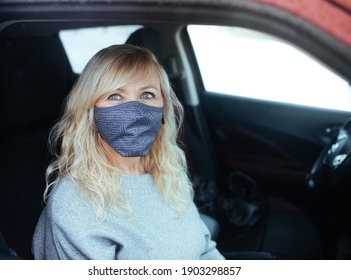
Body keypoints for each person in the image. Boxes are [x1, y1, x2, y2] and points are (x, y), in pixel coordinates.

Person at [31, 44, 224, 260]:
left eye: (147, 94)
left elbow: (205, 250)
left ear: (163, 108)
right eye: (115, 96)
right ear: (90, 112)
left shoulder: (167, 173)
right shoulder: (76, 203)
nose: (134, 111)